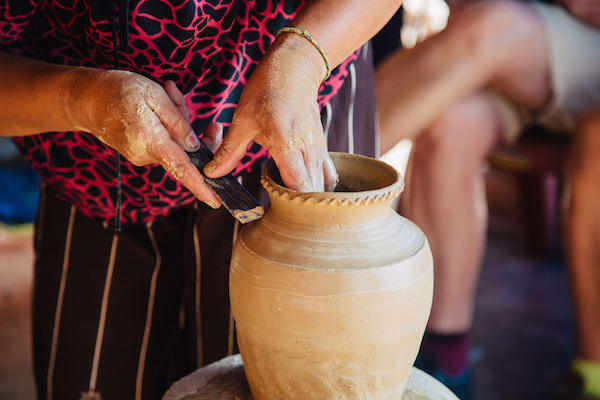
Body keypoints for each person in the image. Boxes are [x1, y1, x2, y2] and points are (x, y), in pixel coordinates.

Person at [0, 1, 401, 398]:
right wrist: (80, 99)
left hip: (298, 96)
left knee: (299, 373)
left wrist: (302, 58)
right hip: (91, 152)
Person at [376, 0, 600, 398]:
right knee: (451, 124)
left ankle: (302, 186)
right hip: (536, 43)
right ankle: (446, 361)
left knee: (492, 27)